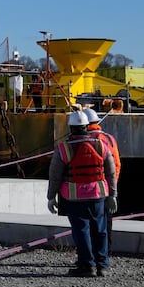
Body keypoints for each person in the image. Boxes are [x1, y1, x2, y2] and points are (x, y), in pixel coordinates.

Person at [46, 109, 118, 277]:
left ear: (71, 128)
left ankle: (87, 265)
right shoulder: (101, 145)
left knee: (81, 231)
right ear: (87, 126)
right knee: (100, 230)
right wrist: (113, 194)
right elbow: (111, 171)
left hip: (74, 197)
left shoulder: (63, 149)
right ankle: (103, 265)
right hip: (98, 194)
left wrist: (51, 197)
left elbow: (55, 175)